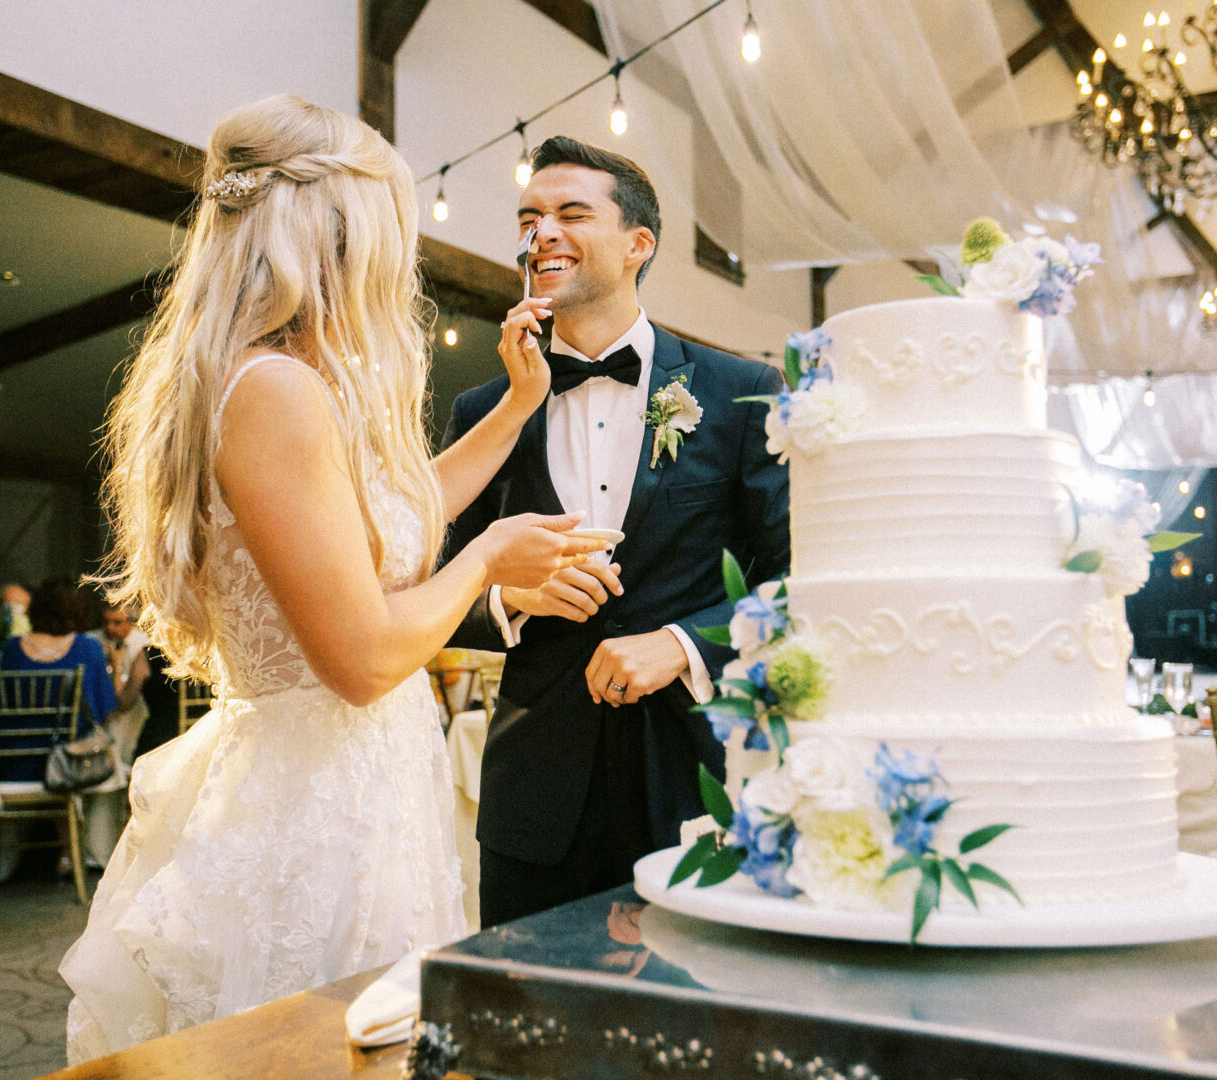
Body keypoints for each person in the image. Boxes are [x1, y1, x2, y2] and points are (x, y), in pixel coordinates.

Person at [59, 95, 602, 1061]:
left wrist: (518, 406)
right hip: (314, 815)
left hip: (365, 789)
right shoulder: (272, 390)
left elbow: (391, 524)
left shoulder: (286, 381)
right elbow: (359, 658)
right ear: (335, 236)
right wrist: (486, 557)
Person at [441, 136, 790, 928]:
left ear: (639, 244)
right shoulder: (483, 411)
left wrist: (684, 644)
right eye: (530, 217)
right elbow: (426, 575)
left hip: (697, 780)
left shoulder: (741, 392)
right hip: (536, 798)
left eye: (570, 212)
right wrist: (507, 596)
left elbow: (800, 578)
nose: (543, 232)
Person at [0, 578, 117, 782]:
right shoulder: (89, 648)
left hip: (14, 763)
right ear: (79, 611)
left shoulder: (13, 648)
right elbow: (106, 712)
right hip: (71, 764)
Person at [88, 599, 151, 766]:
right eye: (106, 622)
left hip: (132, 701)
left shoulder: (143, 644)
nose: (110, 628)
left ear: (130, 622)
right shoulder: (93, 639)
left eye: (117, 622)